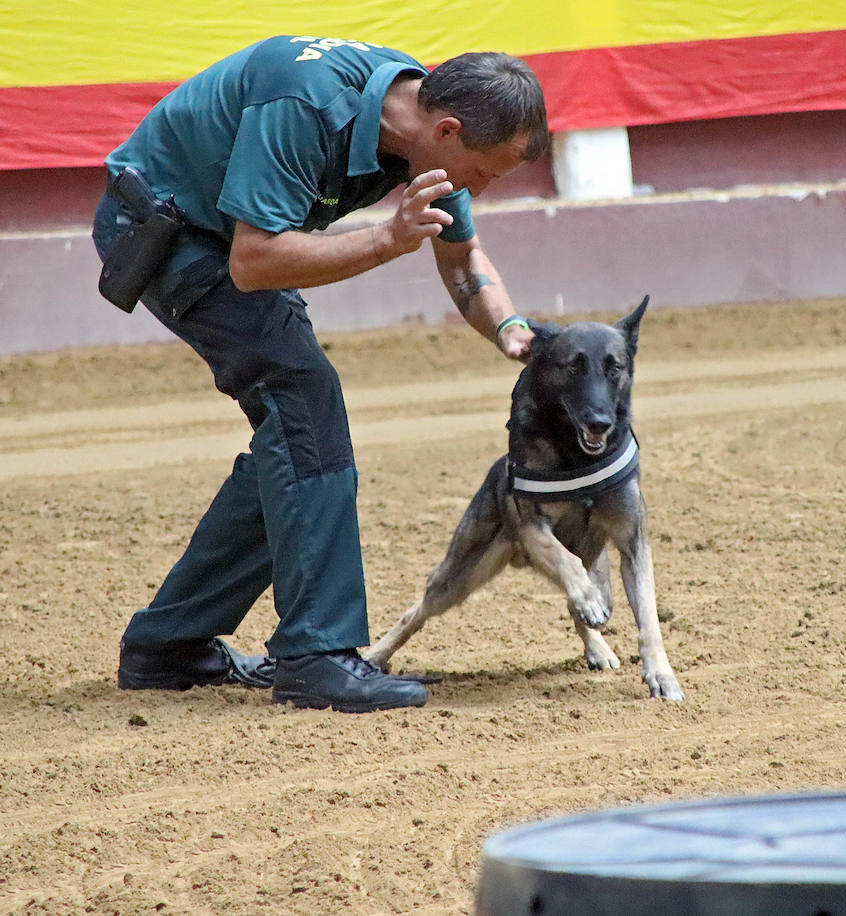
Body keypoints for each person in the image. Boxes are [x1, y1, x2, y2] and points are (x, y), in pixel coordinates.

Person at [91, 35, 549, 712]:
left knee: (294, 429)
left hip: (232, 235)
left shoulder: (428, 130)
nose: (477, 190)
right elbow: (254, 261)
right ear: (446, 131)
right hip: (168, 230)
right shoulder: (304, 101)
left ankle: (171, 644)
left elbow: (461, 257)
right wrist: (388, 239)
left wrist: (511, 330)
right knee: (302, 398)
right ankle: (315, 656)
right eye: (485, 174)